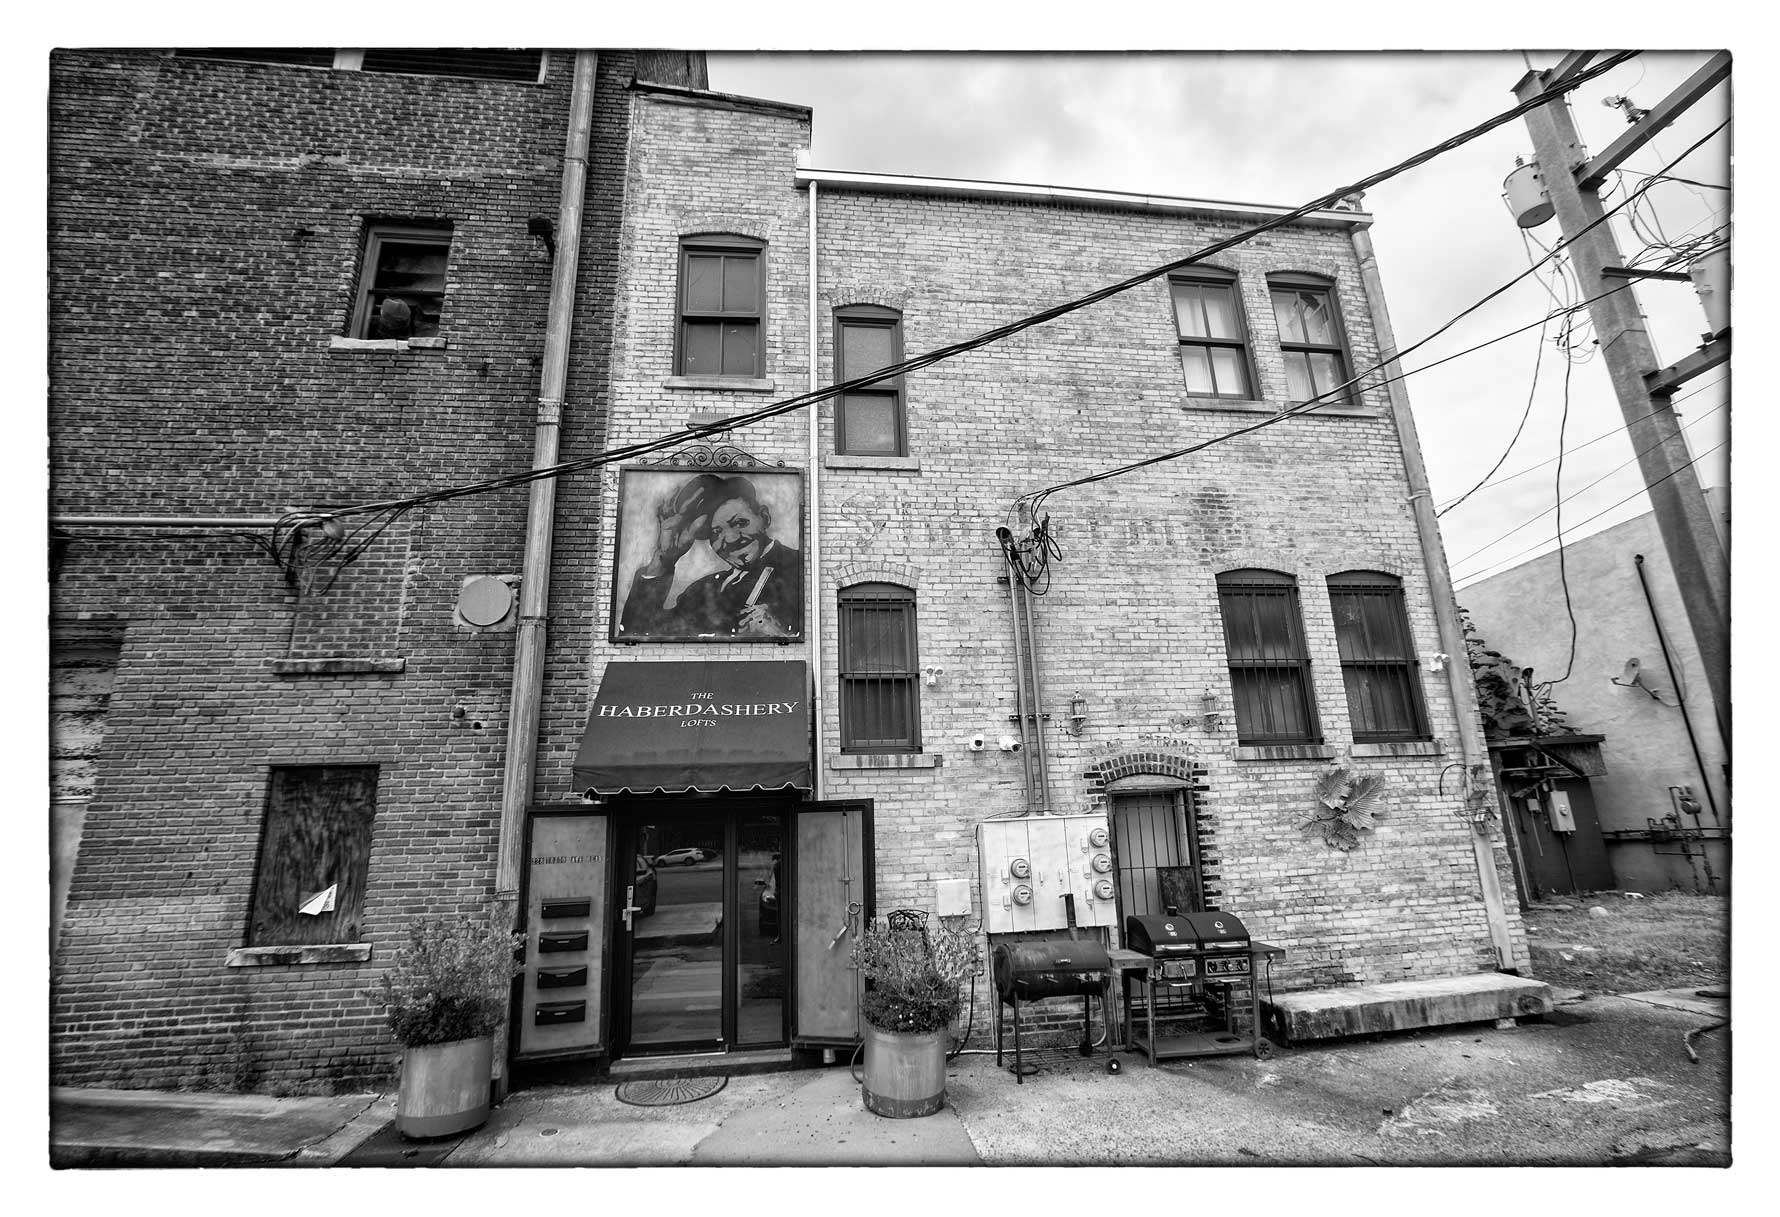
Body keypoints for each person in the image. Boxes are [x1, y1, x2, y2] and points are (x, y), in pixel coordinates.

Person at [617, 473, 803, 639]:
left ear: (764, 517)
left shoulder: (798, 568)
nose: (730, 539)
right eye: (716, 533)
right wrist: (663, 560)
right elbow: (636, 633)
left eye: (740, 523)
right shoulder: (702, 591)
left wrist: (780, 634)